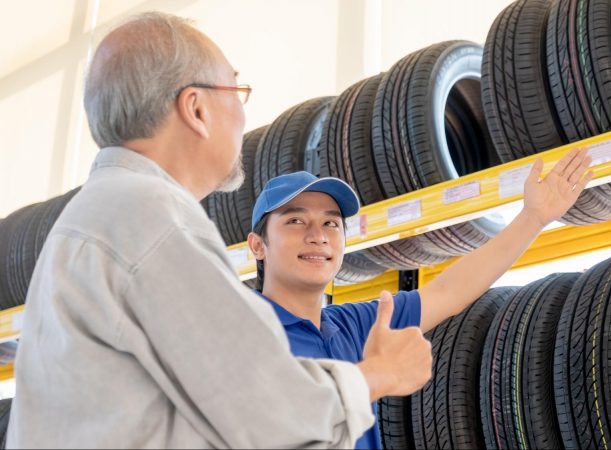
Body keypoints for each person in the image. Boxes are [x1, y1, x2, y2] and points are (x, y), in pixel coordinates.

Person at [8, 12, 433, 448]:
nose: (243, 117)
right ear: (196, 109)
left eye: (330, 223)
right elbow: (265, 413)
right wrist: (376, 375)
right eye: (236, 90)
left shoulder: (101, 212)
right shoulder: (152, 217)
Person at [247, 148, 593, 449]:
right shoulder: (241, 335)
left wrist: (533, 217)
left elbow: (449, 291)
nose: (317, 237)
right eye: (295, 221)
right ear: (258, 245)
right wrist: (376, 375)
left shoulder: (355, 325)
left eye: (331, 224)